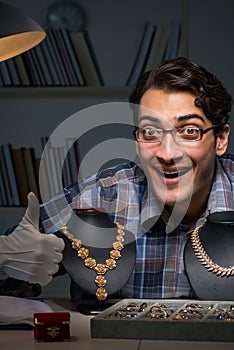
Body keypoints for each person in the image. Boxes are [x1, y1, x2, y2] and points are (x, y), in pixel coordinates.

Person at [0, 57, 233, 299]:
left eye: (188, 131)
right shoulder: (101, 196)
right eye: (150, 132)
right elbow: (16, 250)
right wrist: (6, 258)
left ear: (220, 139)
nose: (167, 154)